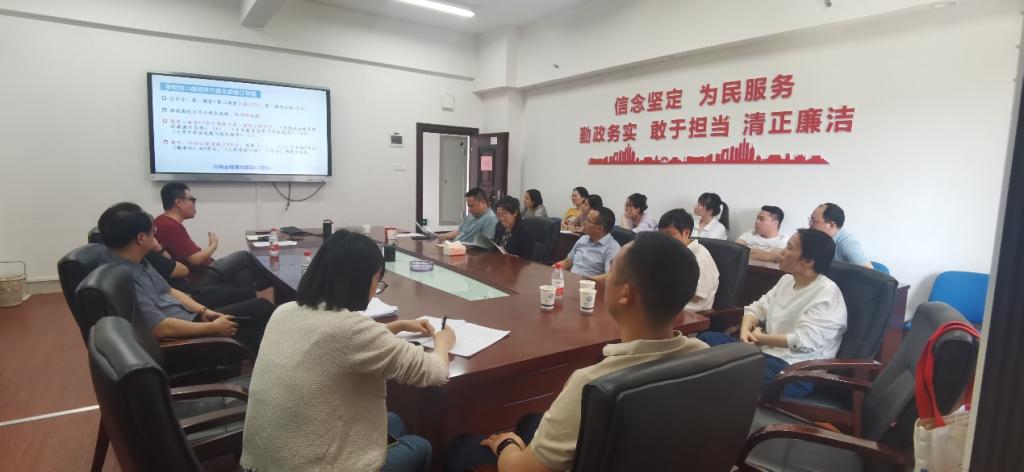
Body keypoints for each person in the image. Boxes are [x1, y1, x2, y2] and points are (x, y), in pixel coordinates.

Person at [444, 232, 709, 472]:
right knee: (531, 422)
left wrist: (507, 445)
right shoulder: (703, 355)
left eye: (611, 270)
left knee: (463, 448)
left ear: (626, 294)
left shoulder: (594, 385)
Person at [240, 230, 456, 472]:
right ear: (362, 282)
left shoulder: (284, 311)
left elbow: (332, 340)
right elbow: (435, 372)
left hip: (262, 459)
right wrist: (443, 342)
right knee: (420, 445)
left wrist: (398, 326)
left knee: (393, 421)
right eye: (377, 281)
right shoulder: (351, 331)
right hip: (310, 466)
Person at [97, 202, 274, 354]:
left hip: (189, 317)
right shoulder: (121, 279)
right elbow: (160, 328)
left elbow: (169, 290)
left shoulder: (137, 259)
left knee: (260, 308)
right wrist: (211, 328)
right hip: (183, 338)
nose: (155, 236)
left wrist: (203, 311)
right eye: (153, 232)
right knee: (261, 315)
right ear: (141, 238)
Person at [698, 229, 847, 396]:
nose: (782, 252)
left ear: (808, 261)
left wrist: (760, 338)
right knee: (706, 340)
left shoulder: (826, 293)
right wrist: (746, 330)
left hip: (795, 372)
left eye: (789, 248)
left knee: (726, 369)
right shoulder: (786, 280)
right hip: (764, 354)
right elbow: (756, 309)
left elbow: (804, 341)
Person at [153, 182, 273, 308]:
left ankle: (251, 298)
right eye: (192, 200)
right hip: (199, 277)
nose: (194, 204)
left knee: (244, 272)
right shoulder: (169, 226)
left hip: (201, 271)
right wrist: (213, 245)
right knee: (244, 256)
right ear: (178, 202)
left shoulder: (162, 221)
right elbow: (195, 260)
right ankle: (268, 283)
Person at [657, 209, 720, 312]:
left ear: (686, 232)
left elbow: (697, 298)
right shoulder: (671, 252)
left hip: (691, 313)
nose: (664, 240)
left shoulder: (701, 257)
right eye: (661, 235)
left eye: (669, 235)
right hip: (669, 307)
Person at [557, 206, 620, 282]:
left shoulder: (613, 248)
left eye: (588, 221)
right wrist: (552, 270)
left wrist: (585, 281)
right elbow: (568, 262)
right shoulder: (583, 239)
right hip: (571, 281)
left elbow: (609, 276)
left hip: (588, 286)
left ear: (599, 228)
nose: (584, 223)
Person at [808, 202, 871, 268]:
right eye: (810, 220)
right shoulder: (819, 238)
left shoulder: (848, 245)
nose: (810, 224)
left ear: (831, 225)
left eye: (814, 221)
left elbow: (869, 273)